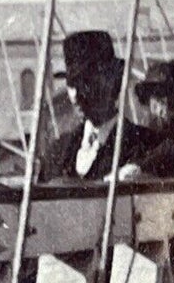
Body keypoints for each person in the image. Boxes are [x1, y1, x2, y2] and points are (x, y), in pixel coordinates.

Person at [38, 29, 150, 182]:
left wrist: (138, 169)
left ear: (110, 85)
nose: (74, 96)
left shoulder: (143, 146)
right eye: (71, 84)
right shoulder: (57, 152)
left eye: (85, 85)